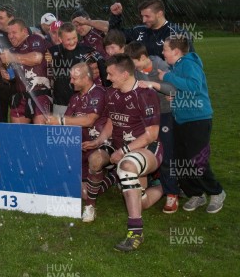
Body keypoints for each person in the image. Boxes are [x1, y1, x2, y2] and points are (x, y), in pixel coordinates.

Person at [85, 54, 163, 251]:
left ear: (125, 74)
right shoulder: (112, 93)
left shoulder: (146, 94)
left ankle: (135, 232)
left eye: (111, 74)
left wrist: (123, 151)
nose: (108, 78)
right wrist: (99, 140)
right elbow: (111, 121)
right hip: (120, 145)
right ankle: (90, 206)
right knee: (95, 159)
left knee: (126, 167)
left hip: (146, 148)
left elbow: (151, 134)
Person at [159, 35, 226, 213]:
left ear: (176, 51)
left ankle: (217, 192)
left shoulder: (189, 63)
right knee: (181, 160)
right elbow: (186, 90)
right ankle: (196, 193)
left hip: (198, 119)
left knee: (197, 160)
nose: (162, 52)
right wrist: (174, 97)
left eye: (165, 49)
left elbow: (195, 86)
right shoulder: (177, 65)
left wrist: (168, 76)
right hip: (181, 119)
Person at [44, 63, 115, 212]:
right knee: (83, 192)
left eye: (74, 78)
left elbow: (89, 120)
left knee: (94, 163)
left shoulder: (99, 93)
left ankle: (111, 178)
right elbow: (67, 123)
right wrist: (52, 124)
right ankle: (110, 177)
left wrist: (60, 121)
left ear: (86, 78)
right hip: (80, 147)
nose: (71, 81)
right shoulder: (75, 98)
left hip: (101, 144)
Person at [125, 41, 178, 213]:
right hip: (147, 116)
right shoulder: (137, 70)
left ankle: (172, 194)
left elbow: (174, 89)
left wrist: (153, 85)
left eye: (133, 63)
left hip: (165, 114)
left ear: (142, 58)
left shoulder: (160, 65)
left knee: (166, 152)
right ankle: (147, 185)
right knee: (148, 149)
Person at [88, 0, 194, 59]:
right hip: (143, 88)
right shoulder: (140, 30)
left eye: (147, 16)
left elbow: (188, 64)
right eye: (142, 16)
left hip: (165, 88)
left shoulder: (176, 33)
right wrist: (116, 16)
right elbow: (115, 34)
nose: (143, 20)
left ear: (159, 14)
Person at [47, 22, 107, 117]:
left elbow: (103, 64)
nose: (72, 42)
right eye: (68, 39)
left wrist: (106, 85)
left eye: (74, 38)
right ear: (60, 39)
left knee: (81, 130)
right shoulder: (52, 51)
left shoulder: (87, 50)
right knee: (61, 131)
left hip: (82, 102)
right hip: (60, 102)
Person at [0, 18, 51, 124]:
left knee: (40, 133)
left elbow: (37, 58)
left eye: (14, 32)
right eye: (9, 33)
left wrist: (12, 57)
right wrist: (4, 73)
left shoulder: (34, 39)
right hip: (19, 97)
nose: (11, 36)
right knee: (18, 135)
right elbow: (10, 74)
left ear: (24, 31)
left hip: (39, 94)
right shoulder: (11, 50)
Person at [0, 5, 17, 122]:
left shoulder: (24, 32)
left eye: (1, 18)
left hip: (19, 82)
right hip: (2, 82)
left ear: (11, 18)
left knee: (19, 115)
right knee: (2, 114)